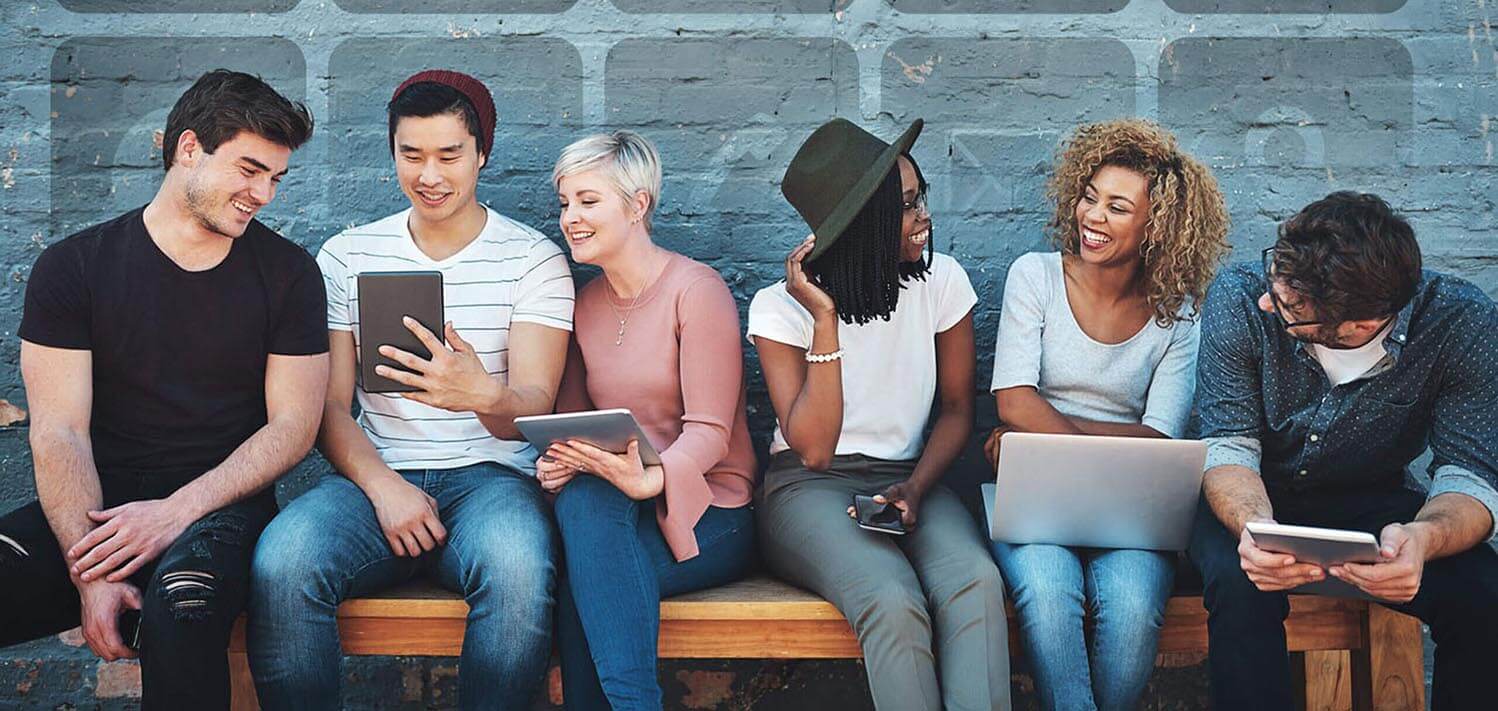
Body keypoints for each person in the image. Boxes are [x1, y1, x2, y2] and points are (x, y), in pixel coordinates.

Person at [247, 70, 574, 710]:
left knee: (518, 572)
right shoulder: (347, 256)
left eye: (450, 155)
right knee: (282, 564)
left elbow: (532, 411)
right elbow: (330, 410)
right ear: (392, 150)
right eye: (411, 154)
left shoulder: (532, 260)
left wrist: (482, 394)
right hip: (373, 477)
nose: (430, 174)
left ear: (483, 152)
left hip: (492, 481)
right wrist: (385, 487)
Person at [0, 69, 325, 710]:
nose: (263, 193)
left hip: (219, 511)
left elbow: (293, 428)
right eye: (249, 170)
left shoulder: (289, 274)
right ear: (187, 149)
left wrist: (175, 512)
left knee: (187, 607)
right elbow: (58, 431)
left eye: (275, 179)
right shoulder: (75, 267)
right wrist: (90, 572)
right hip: (94, 512)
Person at [1190, 191, 1498, 710]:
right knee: (1238, 582)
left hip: (1374, 501)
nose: (1271, 301)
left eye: (1290, 307)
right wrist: (1253, 530)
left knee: (1485, 596)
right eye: (1276, 279)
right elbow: (1229, 447)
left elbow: (1468, 476)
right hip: (1255, 493)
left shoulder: (1462, 324)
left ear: (1361, 326)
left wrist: (1422, 540)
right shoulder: (1242, 296)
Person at [748, 118, 1010, 711]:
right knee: (891, 599)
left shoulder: (941, 283)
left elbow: (954, 409)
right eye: (908, 205)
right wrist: (823, 320)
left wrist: (916, 487)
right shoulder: (778, 310)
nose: (925, 217)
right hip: (809, 487)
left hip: (913, 475)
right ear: (861, 223)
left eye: (922, 198)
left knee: (974, 582)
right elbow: (813, 446)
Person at [982, 119, 1230, 711]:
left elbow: (1161, 436)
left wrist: (1040, 430)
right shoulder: (1034, 276)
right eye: (1090, 198)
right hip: (1035, 493)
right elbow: (1012, 399)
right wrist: (1115, 444)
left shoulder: (1179, 314)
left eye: (1118, 207)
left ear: (1157, 226)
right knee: (1046, 594)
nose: (1093, 217)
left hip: (1131, 507)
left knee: (1133, 611)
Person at [537, 130, 757, 711]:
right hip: (616, 507)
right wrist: (561, 461)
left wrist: (651, 480)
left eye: (588, 201)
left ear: (637, 206)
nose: (570, 218)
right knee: (584, 510)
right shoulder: (582, 303)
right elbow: (573, 422)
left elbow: (711, 433)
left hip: (710, 507)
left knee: (591, 587)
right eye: (565, 203)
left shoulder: (696, 291)